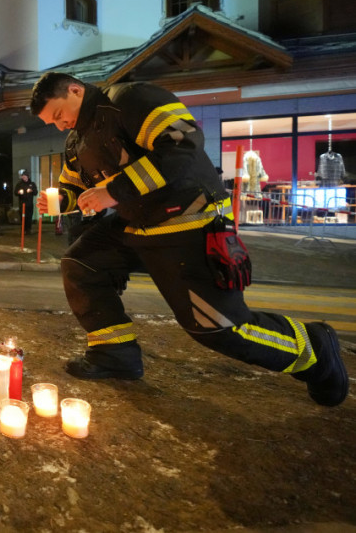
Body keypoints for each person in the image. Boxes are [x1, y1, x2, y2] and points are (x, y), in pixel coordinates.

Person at [29, 71, 347, 406]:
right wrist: (60, 201)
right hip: (138, 224)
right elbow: (76, 187)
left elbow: (184, 141)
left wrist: (113, 191)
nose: (60, 125)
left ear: (75, 90)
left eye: (59, 114)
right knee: (81, 264)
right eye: (52, 122)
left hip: (189, 221)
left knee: (217, 327)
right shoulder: (76, 141)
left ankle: (313, 348)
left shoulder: (131, 99)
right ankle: (114, 354)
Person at [14, 170, 37, 235]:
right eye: (23, 176)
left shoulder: (32, 184)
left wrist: (31, 191)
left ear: (27, 176)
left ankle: (29, 229)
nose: (23, 177)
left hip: (29, 204)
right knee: (23, 217)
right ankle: (23, 229)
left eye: (25, 176)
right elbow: (15, 192)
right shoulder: (19, 184)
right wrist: (19, 192)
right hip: (22, 204)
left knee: (29, 217)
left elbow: (35, 192)